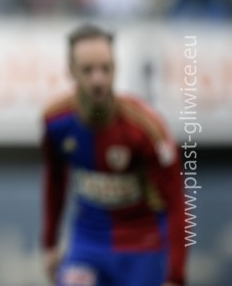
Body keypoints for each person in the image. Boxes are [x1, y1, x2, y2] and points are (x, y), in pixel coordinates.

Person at [41, 24, 187, 286]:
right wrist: (50, 243)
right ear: (71, 71)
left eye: (105, 69)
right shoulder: (57, 122)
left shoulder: (146, 128)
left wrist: (175, 276)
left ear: (115, 69)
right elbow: (55, 181)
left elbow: (176, 202)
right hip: (87, 244)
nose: (98, 80)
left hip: (142, 246)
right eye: (88, 70)